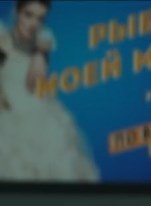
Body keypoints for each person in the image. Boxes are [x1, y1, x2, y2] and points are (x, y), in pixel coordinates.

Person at [0, 0, 100, 183]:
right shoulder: (2, 39)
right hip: (7, 113)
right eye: (28, 15)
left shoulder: (44, 41)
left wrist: (40, 52)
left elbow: (34, 83)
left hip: (38, 113)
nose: (33, 23)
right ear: (17, 12)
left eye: (40, 18)